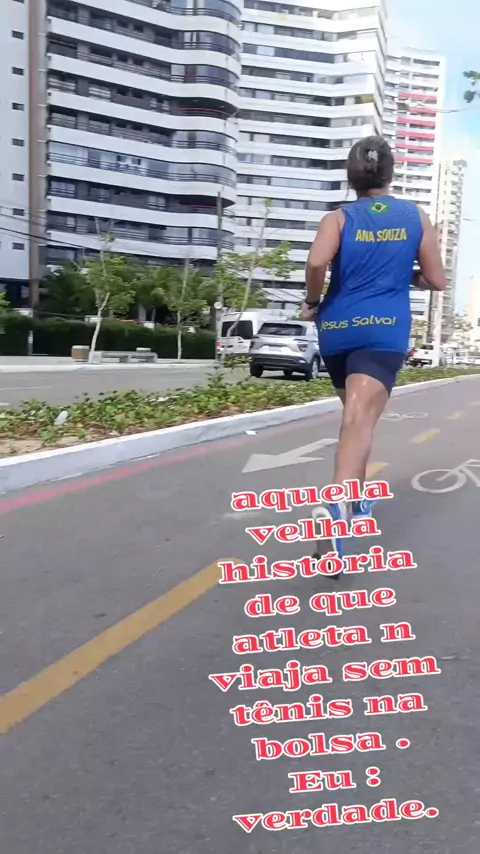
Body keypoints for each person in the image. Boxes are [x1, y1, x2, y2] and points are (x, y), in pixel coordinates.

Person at [302, 135, 446, 557]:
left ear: (352, 176)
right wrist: (406, 273)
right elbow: (436, 280)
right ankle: (338, 506)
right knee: (359, 420)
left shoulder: (338, 218)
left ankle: (357, 502)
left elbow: (316, 262)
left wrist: (312, 300)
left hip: (337, 328)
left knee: (356, 419)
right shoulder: (415, 216)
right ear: (390, 173)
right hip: (383, 329)